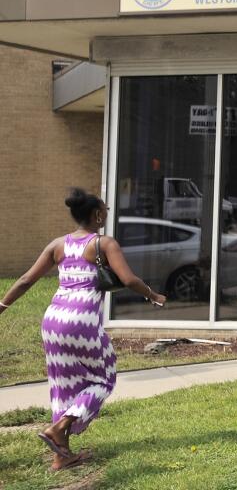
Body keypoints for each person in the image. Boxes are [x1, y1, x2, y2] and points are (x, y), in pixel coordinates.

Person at [0, 189, 166, 472]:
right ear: (97, 214)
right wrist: (153, 295)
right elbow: (128, 279)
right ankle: (60, 426)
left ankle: (60, 456)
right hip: (81, 322)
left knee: (62, 385)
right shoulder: (104, 243)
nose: (107, 213)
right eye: (105, 210)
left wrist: (2, 305)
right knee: (104, 378)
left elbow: (27, 279)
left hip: (52, 321)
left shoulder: (57, 245)